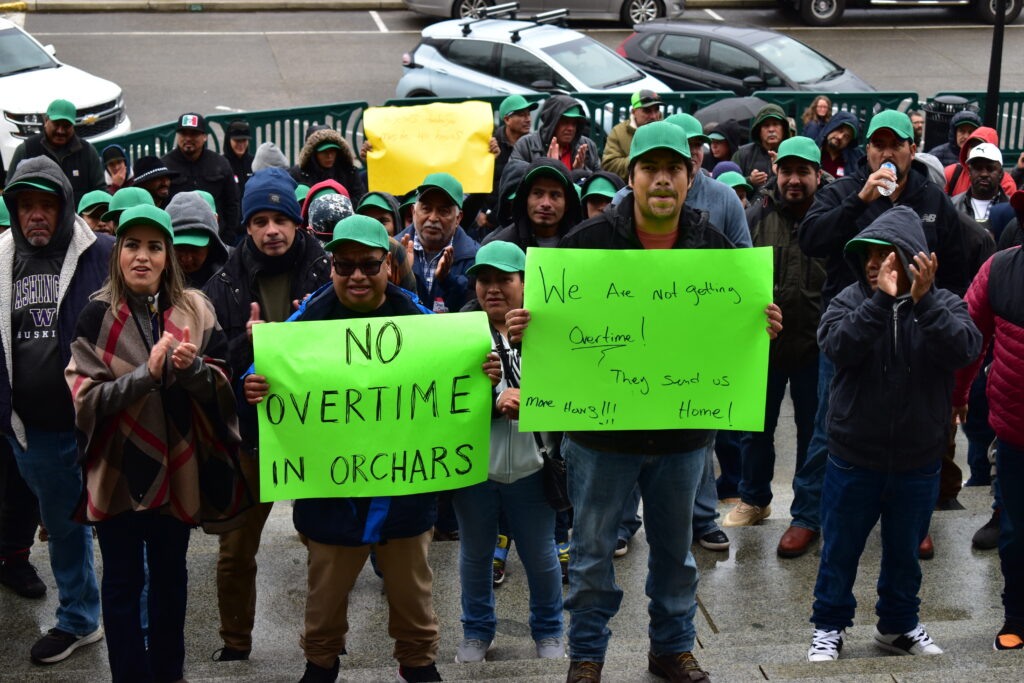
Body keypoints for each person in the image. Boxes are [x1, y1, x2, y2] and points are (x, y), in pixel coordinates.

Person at [506, 121, 783, 683]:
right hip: (601, 438)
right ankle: (586, 656)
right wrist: (525, 329)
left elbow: (736, 329)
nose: (661, 179)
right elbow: (554, 333)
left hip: (682, 437)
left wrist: (763, 325)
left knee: (676, 557)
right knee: (589, 557)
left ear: (690, 176)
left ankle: (671, 649)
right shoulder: (584, 246)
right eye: (649, 168)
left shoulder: (715, 248)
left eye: (673, 169)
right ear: (630, 176)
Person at [241, 214, 497, 683]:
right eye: (344, 265)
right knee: (324, 595)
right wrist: (253, 383)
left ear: (388, 267)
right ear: (332, 267)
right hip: (332, 496)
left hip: (405, 495)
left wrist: (485, 374)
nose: (357, 274)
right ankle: (320, 664)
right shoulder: (307, 321)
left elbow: (463, 371)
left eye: (368, 264)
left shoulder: (421, 321)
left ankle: (418, 663)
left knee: (413, 591)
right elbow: (262, 372)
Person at [64, 203, 247, 683]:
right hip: (118, 468)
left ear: (169, 256)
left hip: (180, 467)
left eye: (154, 246)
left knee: (171, 578)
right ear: (117, 253)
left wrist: (194, 372)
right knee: (122, 581)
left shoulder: (197, 309)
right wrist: (147, 375)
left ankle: (169, 672)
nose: (141, 257)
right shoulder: (95, 315)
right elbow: (85, 401)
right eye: (131, 245)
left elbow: (224, 386)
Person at [795, 110, 972, 559]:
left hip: (915, 332)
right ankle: (808, 515)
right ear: (867, 151)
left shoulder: (931, 198)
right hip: (854, 325)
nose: (888, 153)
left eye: (897, 145)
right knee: (828, 426)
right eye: (879, 144)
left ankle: (915, 519)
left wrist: (939, 311)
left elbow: (957, 259)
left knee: (918, 426)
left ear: (913, 150)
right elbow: (811, 239)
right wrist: (859, 199)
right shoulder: (843, 191)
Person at [806, 206, 980, 662]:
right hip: (853, 456)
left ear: (912, 258)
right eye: (867, 255)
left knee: (905, 553)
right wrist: (880, 301)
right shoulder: (848, 300)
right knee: (840, 550)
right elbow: (838, 346)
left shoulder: (944, 303)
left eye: (885, 254)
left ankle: (899, 627)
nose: (873, 263)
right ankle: (828, 627)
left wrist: (922, 302)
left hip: (918, 459)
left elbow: (964, 349)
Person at [203, 167, 331, 662]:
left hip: (315, 435)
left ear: (298, 222)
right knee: (236, 552)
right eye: (260, 220)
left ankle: (323, 645)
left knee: (324, 544)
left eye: (281, 218)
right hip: (250, 439)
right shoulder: (224, 283)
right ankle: (235, 643)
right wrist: (244, 360)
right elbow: (209, 362)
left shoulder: (327, 272)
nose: (271, 230)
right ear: (248, 227)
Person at [1, 156, 109, 664]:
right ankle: (79, 619)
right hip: (34, 428)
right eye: (27, 205)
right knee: (64, 528)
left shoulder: (100, 252)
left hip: (100, 421)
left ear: (65, 206)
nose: (36, 215)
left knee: (124, 528)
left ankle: (144, 622)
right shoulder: (1, 259)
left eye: (47, 204)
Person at [452, 240, 565, 664]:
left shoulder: (552, 327)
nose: (493, 288)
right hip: (474, 469)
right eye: (484, 279)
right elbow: (441, 404)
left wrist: (530, 396)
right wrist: (490, 404)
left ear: (524, 282)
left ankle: (550, 631)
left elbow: (575, 391)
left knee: (541, 556)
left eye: (504, 279)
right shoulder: (456, 332)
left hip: (533, 467)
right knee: (475, 555)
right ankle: (476, 632)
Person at [723, 137, 827, 530]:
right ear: (776, 171)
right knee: (754, 428)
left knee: (813, 431)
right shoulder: (755, 215)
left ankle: (809, 508)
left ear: (818, 174)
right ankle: (754, 499)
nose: (793, 180)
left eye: (803, 172)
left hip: (817, 345)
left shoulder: (833, 216)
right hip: (763, 345)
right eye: (787, 171)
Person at [952, 238, 1024, 652]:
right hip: (1016, 428)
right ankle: (1016, 615)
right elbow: (969, 336)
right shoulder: (999, 269)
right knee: (1015, 529)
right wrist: (958, 393)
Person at [395, 173, 479, 314]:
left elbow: (474, 310)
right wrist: (402, 279)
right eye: (426, 209)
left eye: (443, 211)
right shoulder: (392, 251)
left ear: (458, 218)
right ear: (413, 211)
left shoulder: (475, 258)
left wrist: (449, 281)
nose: (433, 218)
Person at [7, 99, 105, 206]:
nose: (60, 131)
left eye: (66, 126)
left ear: (73, 126)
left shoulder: (88, 152)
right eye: (56, 124)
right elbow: (10, 190)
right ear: (46, 121)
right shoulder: (27, 150)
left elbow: (100, 192)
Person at [162, 112, 241, 244]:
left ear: (204, 137)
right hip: (177, 241)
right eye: (183, 134)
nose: (187, 138)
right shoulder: (165, 166)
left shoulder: (220, 164)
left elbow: (232, 203)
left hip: (216, 240)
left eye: (193, 134)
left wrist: (228, 237)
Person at [500, 95, 600, 194]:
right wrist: (548, 168)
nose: (571, 128)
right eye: (564, 122)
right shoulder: (526, 144)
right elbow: (512, 185)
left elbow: (598, 186)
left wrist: (581, 172)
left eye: (574, 123)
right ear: (551, 123)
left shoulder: (588, 146)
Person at [483, 158, 581, 250]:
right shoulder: (499, 247)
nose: (546, 203)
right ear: (525, 199)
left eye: (555, 195)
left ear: (567, 204)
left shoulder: (583, 243)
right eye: (538, 193)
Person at [477, 95, 540, 235]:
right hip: (488, 221)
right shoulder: (490, 144)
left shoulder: (534, 144)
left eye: (528, 114)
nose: (528, 119)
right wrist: (480, 214)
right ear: (507, 119)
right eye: (522, 115)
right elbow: (477, 180)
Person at [167, 191, 231, 289]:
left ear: (211, 243)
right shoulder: (155, 281)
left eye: (194, 249)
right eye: (179, 248)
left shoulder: (233, 272)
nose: (187, 258)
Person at [289, 126, 366, 200]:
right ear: (312, 153)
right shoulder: (297, 175)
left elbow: (359, 197)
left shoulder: (349, 171)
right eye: (323, 151)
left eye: (332, 150)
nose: (329, 156)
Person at [602, 90, 663, 181]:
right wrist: (640, 158)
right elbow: (609, 165)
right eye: (647, 111)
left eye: (656, 110)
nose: (653, 116)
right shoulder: (618, 132)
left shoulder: (667, 129)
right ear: (634, 112)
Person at [943, 126, 1017, 198]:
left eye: (982, 146)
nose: (976, 150)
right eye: (973, 145)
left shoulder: (1007, 184)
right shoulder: (951, 173)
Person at [952, 142, 1011, 233]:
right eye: (978, 168)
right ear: (969, 172)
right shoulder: (952, 205)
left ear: (1001, 173)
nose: (984, 174)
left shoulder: (1013, 209)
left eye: (990, 168)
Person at [733, 104, 792, 191]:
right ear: (758, 130)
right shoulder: (742, 154)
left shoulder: (792, 153)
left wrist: (782, 170)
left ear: (784, 129)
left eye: (775, 124)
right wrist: (749, 181)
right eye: (766, 125)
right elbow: (729, 184)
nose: (771, 129)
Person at [816, 112, 864, 179]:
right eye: (840, 130)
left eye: (846, 136)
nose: (840, 137)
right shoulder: (812, 151)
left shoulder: (856, 159)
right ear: (831, 127)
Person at [223, 120, 254, 193]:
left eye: (244, 140)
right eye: (237, 140)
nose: (241, 144)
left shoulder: (254, 162)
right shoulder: (221, 164)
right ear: (228, 140)